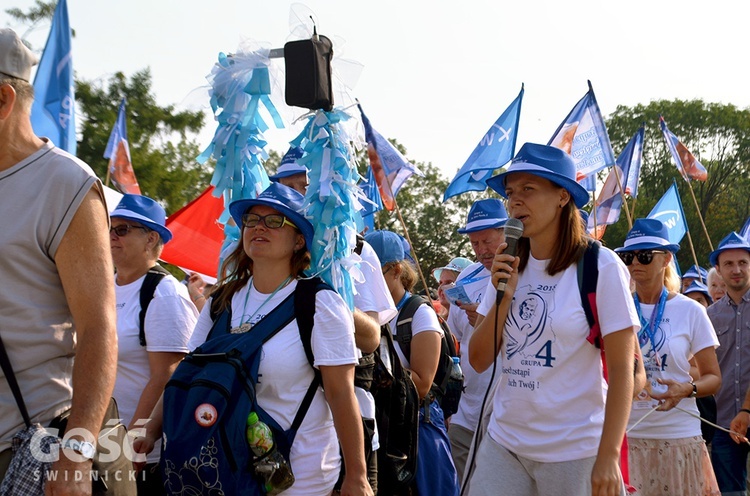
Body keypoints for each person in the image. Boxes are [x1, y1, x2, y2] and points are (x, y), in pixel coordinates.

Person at [135, 183, 371, 495]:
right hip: (221, 472)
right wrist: (149, 431)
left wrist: (357, 475)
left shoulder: (319, 304)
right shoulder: (222, 301)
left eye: (274, 221)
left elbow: (341, 394)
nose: (258, 227)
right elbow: (187, 376)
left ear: (300, 239)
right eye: (251, 220)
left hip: (298, 479)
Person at [467, 143, 640, 496]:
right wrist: (505, 296)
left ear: (563, 197)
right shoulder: (507, 260)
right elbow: (479, 359)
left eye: (528, 189)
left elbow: (624, 372)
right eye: (511, 192)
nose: (515, 201)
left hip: (574, 452)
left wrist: (608, 456)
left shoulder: (600, 266)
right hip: (505, 444)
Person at [0, 28, 131, 494]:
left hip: (35, 444)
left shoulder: (64, 184)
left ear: (3, 99)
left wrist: (75, 456)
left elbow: (98, 328)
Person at [615, 218, 721, 496]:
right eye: (628, 256)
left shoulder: (691, 311)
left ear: (666, 260)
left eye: (645, 255)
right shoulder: (615, 307)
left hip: (678, 435)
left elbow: (713, 377)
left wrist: (688, 389)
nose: (635, 263)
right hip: (627, 434)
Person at [109, 194, 198, 493]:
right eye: (109, 228)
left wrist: (129, 442)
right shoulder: (105, 285)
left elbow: (167, 374)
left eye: (122, 230)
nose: (111, 236)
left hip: (136, 454)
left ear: (150, 239)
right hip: (93, 442)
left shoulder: (165, 294)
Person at [365, 230, 460, 496]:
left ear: (396, 270)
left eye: (372, 273)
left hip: (420, 427)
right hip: (380, 425)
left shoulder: (420, 313)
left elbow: (420, 384)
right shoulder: (366, 312)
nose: (364, 281)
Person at [446, 199, 508, 480]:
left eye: (486, 241)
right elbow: (454, 338)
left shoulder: (523, 272)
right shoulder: (467, 277)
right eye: (474, 243)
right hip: (466, 409)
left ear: (506, 233)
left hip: (504, 410)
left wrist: (487, 322)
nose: (481, 250)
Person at [707, 232, 750, 495]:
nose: (736, 270)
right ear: (718, 271)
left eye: (743, 263)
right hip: (723, 422)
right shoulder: (708, 316)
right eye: (729, 264)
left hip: (746, 414)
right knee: (729, 492)